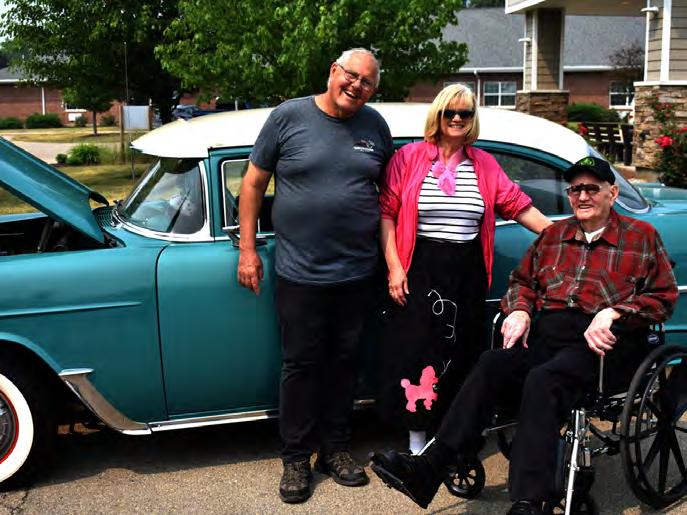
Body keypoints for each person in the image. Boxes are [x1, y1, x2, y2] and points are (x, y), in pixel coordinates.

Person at [371, 156, 678, 515]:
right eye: (575, 189)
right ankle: (429, 467)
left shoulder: (641, 237)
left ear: (612, 194)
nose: (582, 196)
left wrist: (615, 312)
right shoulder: (554, 236)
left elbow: (663, 297)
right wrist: (519, 309)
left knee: (543, 380)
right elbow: (521, 282)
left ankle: (529, 500)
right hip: (548, 337)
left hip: (602, 346)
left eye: (591, 189)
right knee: (492, 363)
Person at [237, 48, 393, 504]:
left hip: (357, 272)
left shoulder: (375, 126)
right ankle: (295, 458)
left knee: (345, 364)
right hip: (300, 274)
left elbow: (391, 192)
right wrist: (247, 250)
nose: (356, 86)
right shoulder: (288, 117)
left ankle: (335, 450)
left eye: (367, 82)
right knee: (301, 366)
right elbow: (253, 183)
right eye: (351, 75)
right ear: (333, 72)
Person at [377, 83, 550, 455]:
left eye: (465, 113)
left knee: (461, 351)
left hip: (467, 271)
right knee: (418, 351)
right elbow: (387, 213)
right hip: (420, 267)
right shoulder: (408, 157)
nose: (457, 118)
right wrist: (394, 268)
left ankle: (452, 434)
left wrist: (561, 234)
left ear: (473, 119)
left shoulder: (484, 164)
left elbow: (517, 205)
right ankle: (417, 439)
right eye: (449, 112)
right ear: (438, 115)